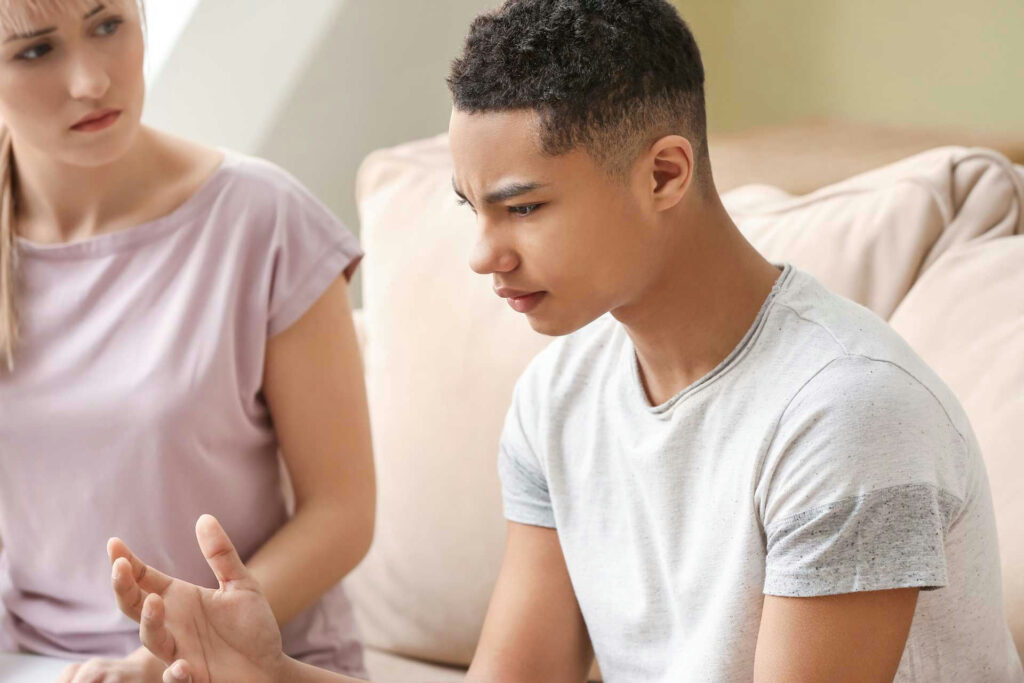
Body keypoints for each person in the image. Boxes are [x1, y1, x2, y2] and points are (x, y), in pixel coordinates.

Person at [105, 0, 1024, 681]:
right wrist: (274, 674)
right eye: (474, 210)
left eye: (526, 208)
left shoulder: (846, 414)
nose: (482, 255)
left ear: (665, 173)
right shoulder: (561, 399)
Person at [0, 1, 375, 681]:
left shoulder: (264, 219)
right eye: (35, 51)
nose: (89, 80)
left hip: (251, 662)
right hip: (37, 662)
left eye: (108, 25)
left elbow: (342, 512)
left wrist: (165, 654)